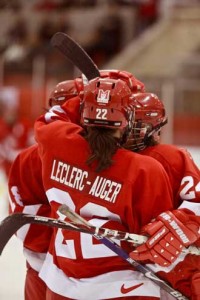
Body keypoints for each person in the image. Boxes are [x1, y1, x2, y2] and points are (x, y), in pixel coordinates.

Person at [33, 76, 174, 299]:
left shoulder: (54, 141)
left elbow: (54, 114)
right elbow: (154, 245)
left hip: (62, 286)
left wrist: (92, 97)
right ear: (129, 117)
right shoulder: (145, 169)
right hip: (123, 290)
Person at [125, 92, 200, 299]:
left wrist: (184, 219)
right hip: (146, 272)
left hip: (169, 270)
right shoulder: (168, 157)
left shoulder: (169, 158)